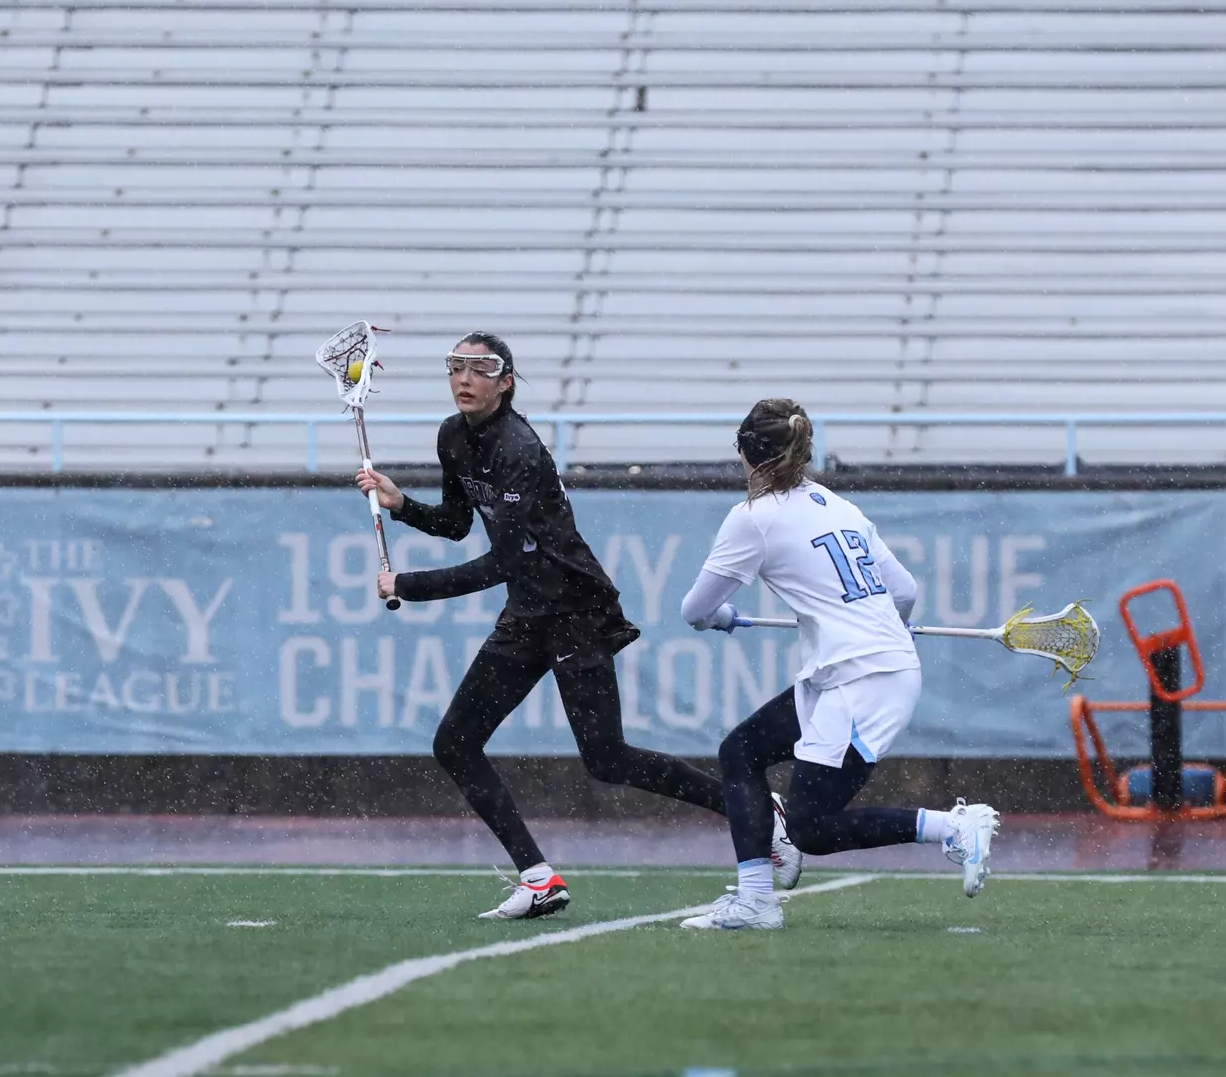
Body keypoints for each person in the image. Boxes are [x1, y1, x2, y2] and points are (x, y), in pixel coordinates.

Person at [358, 331, 731, 920]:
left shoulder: (519, 449)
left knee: (607, 759)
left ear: (505, 383)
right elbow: (458, 524)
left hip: (576, 610)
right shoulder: (453, 436)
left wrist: (410, 585)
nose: (464, 378)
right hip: (529, 612)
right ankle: (537, 878)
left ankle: (754, 809)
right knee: (455, 743)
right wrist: (401, 505)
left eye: (480, 369)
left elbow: (502, 561)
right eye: (456, 367)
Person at [677, 398, 1000, 931]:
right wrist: (887, 624)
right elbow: (905, 591)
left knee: (812, 830)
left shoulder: (753, 519)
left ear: (743, 451)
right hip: (852, 672)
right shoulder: (838, 505)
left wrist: (722, 617)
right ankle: (757, 901)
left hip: (862, 679)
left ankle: (953, 827)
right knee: (742, 751)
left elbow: (695, 609)